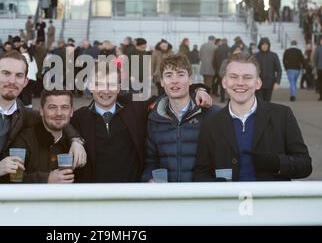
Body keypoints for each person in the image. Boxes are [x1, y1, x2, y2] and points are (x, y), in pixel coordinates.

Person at [71, 60, 212, 183]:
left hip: (132, 194)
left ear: (119, 87)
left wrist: (198, 89)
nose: (106, 90)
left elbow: (171, 92)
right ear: (89, 86)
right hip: (94, 196)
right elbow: (58, 126)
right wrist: (75, 139)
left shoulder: (135, 107)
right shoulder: (79, 117)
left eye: (112, 84)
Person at [0, 50, 86, 183]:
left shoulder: (21, 112)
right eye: (6, 73)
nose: (12, 81)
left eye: (18, 76)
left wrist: (76, 140)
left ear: (25, 82)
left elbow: (55, 117)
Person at [193, 53, 312, 182]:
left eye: (247, 77)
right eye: (234, 77)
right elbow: (200, 172)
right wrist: (221, 188)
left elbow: (305, 165)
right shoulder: (211, 123)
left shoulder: (282, 115)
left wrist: (276, 163)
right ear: (224, 82)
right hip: (230, 201)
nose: (240, 83)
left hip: (270, 200)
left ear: (258, 83)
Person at [141, 54, 219, 182]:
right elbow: (151, 162)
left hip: (202, 195)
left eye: (180, 74)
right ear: (161, 81)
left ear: (190, 79)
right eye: (169, 75)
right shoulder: (155, 119)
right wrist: (148, 179)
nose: (174, 80)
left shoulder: (210, 114)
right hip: (168, 197)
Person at [11, 90, 75, 183]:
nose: (59, 113)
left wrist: (78, 142)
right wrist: (46, 179)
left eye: (65, 107)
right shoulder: (24, 140)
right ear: (41, 111)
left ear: (71, 111)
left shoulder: (74, 144)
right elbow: (12, 179)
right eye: (52, 107)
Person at [255, 37, 282, 102]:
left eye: (266, 44)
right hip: (257, 83)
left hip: (270, 83)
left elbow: (279, 70)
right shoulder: (255, 56)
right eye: (263, 44)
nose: (265, 46)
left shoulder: (273, 55)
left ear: (269, 45)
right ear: (260, 45)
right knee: (259, 102)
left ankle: (266, 112)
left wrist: (277, 82)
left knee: (267, 102)